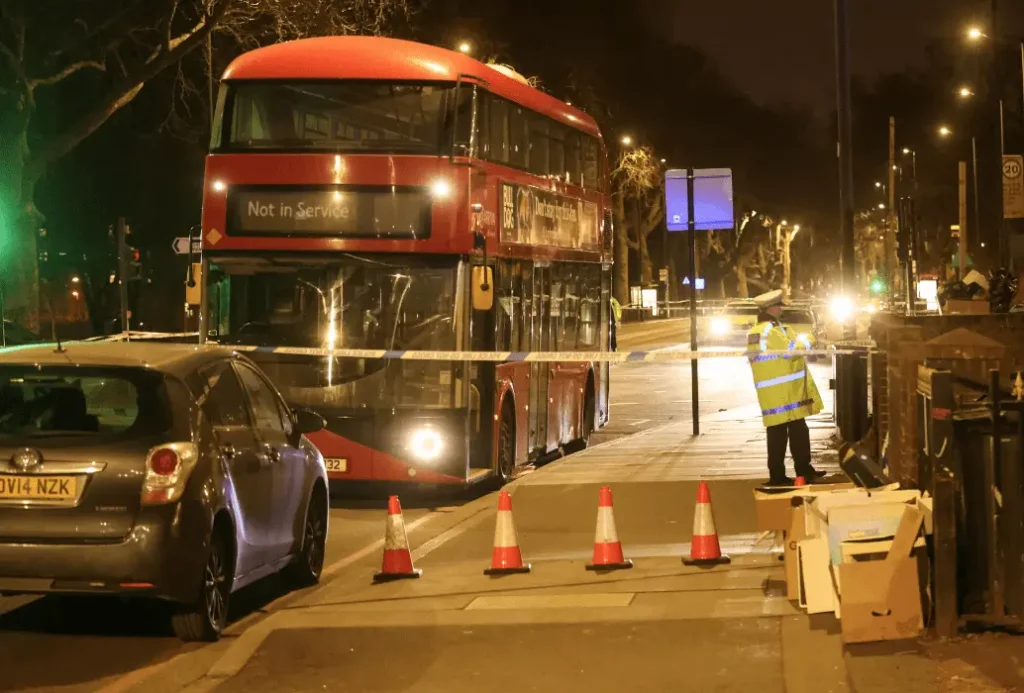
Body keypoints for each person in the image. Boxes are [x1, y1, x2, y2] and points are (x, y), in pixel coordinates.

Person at [746, 289, 826, 486]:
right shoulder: (771, 330)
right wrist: (810, 338)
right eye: (779, 305)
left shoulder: (756, 331)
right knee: (798, 431)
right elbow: (791, 351)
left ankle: (778, 475)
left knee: (777, 433)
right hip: (786, 391)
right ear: (772, 307)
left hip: (772, 392)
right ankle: (803, 471)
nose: (781, 309)